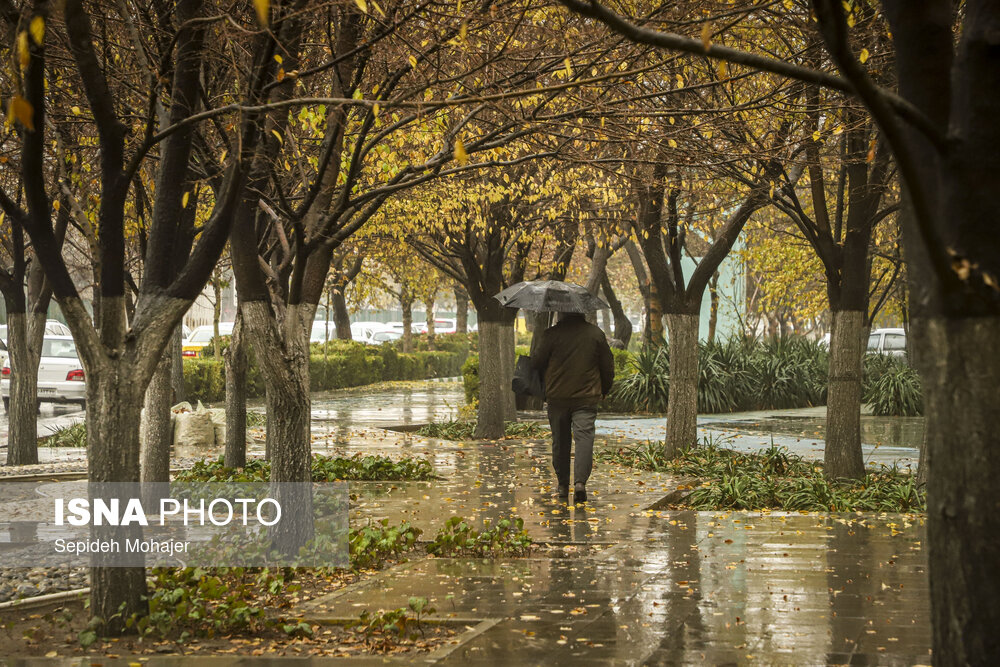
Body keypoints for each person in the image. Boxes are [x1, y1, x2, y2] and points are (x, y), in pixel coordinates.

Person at [531, 312, 615, 503]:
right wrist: (605, 389)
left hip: (557, 397)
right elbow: (607, 365)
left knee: (560, 441)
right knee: (584, 438)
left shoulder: (551, 334)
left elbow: (536, 362)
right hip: (586, 398)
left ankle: (562, 486)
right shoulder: (595, 334)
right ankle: (580, 484)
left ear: (561, 312)